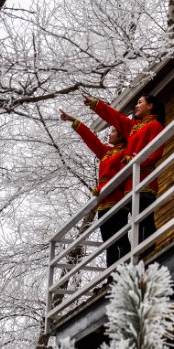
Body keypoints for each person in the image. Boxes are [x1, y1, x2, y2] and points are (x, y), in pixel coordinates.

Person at [82, 94, 165, 248]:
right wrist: (97, 104)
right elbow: (115, 117)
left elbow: (156, 152)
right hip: (129, 186)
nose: (136, 106)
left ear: (150, 106)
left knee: (145, 219)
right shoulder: (133, 128)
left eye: (140, 102)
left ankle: (148, 250)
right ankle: (141, 251)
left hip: (145, 180)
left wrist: (136, 160)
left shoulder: (155, 126)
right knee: (137, 221)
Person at [60, 110, 129, 265]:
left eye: (113, 131)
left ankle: (128, 268)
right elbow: (91, 139)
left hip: (118, 201)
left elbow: (122, 175)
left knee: (121, 238)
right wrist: (73, 120)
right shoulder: (106, 152)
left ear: (121, 136)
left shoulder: (125, 152)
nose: (109, 134)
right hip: (103, 203)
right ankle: (112, 274)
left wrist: (102, 188)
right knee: (108, 242)